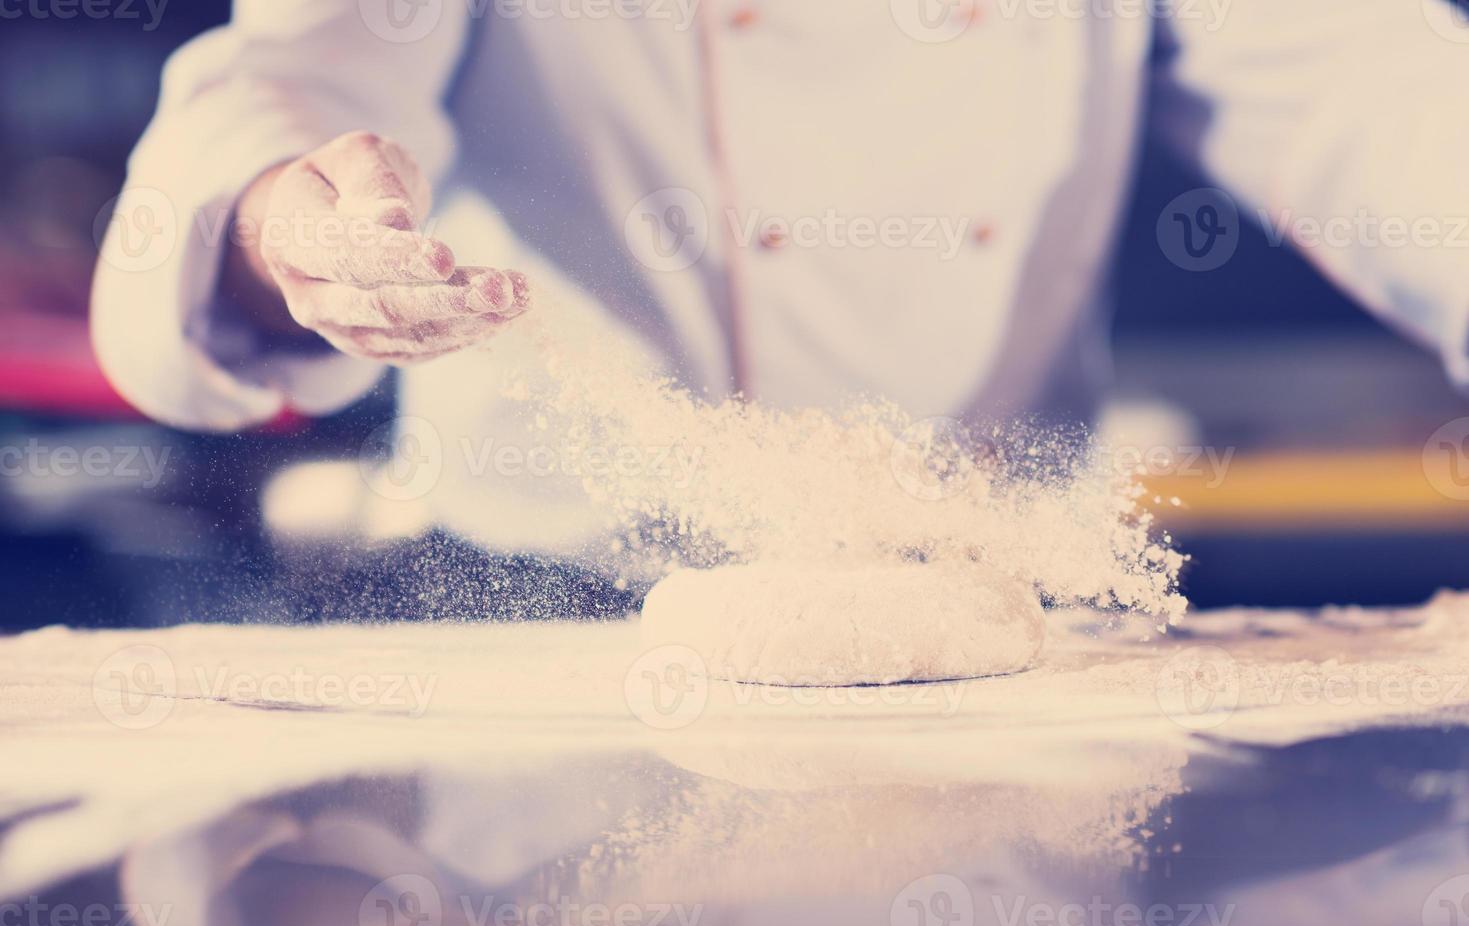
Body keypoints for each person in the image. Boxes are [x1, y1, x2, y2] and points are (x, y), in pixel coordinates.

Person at [92, 0, 1469, 559]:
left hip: (992, 612)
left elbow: (1367, 93)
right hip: (542, 621)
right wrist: (290, 222)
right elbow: (289, 83)